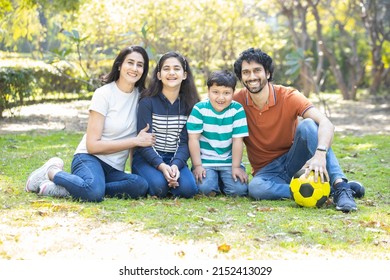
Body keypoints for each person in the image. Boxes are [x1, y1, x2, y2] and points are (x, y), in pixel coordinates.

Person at [233, 47, 365, 212]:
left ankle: (341, 186)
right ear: (241, 77)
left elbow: (326, 123)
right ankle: (322, 190)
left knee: (308, 125)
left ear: (267, 73)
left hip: (296, 160)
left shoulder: (288, 96)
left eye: (257, 70)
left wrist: (320, 154)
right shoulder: (236, 101)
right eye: (246, 72)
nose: (251, 77)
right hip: (267, 171)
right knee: (256, 188)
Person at [25, 45, 156, 202]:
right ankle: (51, 172)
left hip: (113, 168)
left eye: (139, 65)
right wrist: (134, 141)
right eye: (130, 62)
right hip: (89, 158)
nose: (134, 68)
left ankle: (76, 188)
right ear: (120, 65)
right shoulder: (104, 94)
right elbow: (92, 146)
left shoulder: (142, 99)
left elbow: (138, 141)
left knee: (140, 185)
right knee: (93, 193)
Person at [131, 51, 200, 198]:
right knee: (159, 187)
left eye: (176, 68)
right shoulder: (147, 102)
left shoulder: (191, 105)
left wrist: (175, 165)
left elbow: (185, 143)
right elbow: (144, 143)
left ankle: (170, 178)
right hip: (146, 159)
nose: (171, 73)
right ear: (159, 75)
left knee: (188, 190)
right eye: (166, 69)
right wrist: (162, 166)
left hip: (174, 158)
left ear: (185, 74)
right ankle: (161, 180)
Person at [187, 70, 249, 196]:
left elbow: (238, 141)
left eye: (226, 93)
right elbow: (193, 139)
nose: (221, 98)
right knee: (205, 189)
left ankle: (221, 181)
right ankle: (215, 181)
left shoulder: (237, 110)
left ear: (233, 93)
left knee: (239, 191)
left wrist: (236, 167)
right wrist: (197, 165)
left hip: (229, 162)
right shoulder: (200, 109)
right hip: (206, 162)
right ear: (208, 91)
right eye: (215, 92)